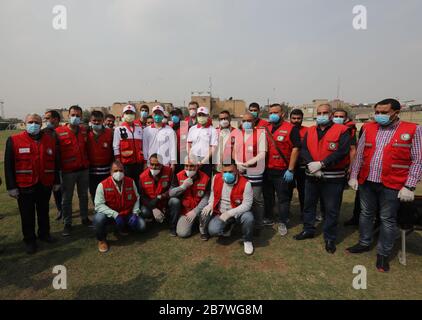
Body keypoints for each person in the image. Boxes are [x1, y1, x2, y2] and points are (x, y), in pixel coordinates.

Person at [347, 98, 422, 272]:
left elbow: (418, 160)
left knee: (387, 219)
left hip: (393, 183)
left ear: (396, 113)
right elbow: (359, 154)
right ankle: (364, 242)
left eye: (384, 112)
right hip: (368, 180)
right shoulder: (369, 127)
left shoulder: (413, 129)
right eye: (377, 112)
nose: (379, 115)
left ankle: (383, 253)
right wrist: (353, 176)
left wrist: (409, 186)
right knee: (366, 213)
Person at [294, 103, 351, 254]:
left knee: (331, 209)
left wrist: (322, 164)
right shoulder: (311, 130)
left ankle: (330, 237)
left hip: (333, 177)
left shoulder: (343, 130)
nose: (321, 115)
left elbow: (343, 151)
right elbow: (303, 149)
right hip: (312, 175)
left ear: (331, 114)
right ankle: (308, 229)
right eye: (319, 113)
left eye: (325, 113)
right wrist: (312, 164)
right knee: (309, 205)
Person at [5, 113, 61, 254]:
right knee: (27, 214)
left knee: (44, 211)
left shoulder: (50, 140)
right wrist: (11, 187)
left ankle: (44, 234)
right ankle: (30, 240)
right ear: (25, 123)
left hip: (45, 183)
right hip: (24, 185)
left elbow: (55, 162)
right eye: (30, 122)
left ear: (41, 124)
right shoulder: (14, 140)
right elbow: (8, 165)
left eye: (37, 122)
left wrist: (56, 181)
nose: (33, 124)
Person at [200, 162, 255, 255]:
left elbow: (247, 205)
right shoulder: (216, 178)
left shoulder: (246, 184)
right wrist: (210, 204)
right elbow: (213, 194)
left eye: (230, 171)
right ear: (222, 171)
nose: (227, 174)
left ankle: (247, 240)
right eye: (225, 172)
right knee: (213, 230)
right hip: (221, 213)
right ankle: (228, 226)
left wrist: (230, 213)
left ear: (237, 171)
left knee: (248, 218)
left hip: (238, 213)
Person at [263, 104, 301, 237]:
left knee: (283, 198)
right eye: (271, 112)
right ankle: (269, 217)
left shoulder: (291, 129)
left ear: (282, 114)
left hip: (283, 171)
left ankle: (283, 221)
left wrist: (290, 169)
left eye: (276, 112)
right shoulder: (266, 128)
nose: (273, 114)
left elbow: (296, 148)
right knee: (268, 197)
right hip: (267, 170)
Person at [93, 161, 146, 253]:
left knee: (142, 226)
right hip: (111, 215)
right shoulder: (102, 185)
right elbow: (98, 205)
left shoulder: (131, 182)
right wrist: (115, 214)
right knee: (98, 218)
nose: (118, 173)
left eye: (121, 170)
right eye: (115, 171)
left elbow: (136, 198)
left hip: (127, 213)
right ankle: (102, 240)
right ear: (110, 172)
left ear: (124, 171)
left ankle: (122, 227)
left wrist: (135, 213)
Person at [56, 105, 92, 237]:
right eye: (73, 115)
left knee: (83, 196)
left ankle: (84, 218)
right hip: (68, 172)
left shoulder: (84, 130)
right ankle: (67, 223)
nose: (75, 117)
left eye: (78, 115)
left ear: (81, 117)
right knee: (67, 198)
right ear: (68, 116)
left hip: (83, 170)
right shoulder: (59, 132)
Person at [233, 112, 267, 234]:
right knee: (241, 198)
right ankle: (242, 223)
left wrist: (247, 163)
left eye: (249, 121)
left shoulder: (260, 134)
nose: (246, 123)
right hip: (241, 170)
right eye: (244, 121)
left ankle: (258, 225)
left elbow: (262, 153)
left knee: (256, 199)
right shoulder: (238, 134)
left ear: (254, 121)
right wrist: (238, 163)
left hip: (255, 171)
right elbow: (234, 151)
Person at [167, 157, 211, 238]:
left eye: (191, 166)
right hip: (186, 211)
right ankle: (192, 223)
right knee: (182, 233)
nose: (188, 169)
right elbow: (170, 193)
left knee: (206, 210)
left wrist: (195, 211)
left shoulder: (205, 177)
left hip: (200, 210)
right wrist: (182, 187)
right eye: (186, 166)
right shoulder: (178, 176)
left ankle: (203, 230)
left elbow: (206, 197)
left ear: (197, 166)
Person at [113, 105, 144, 191]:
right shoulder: (118, 129)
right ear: (123, 115)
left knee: (139, 186)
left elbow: (143, 146)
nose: (129, 115)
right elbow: (116, 147)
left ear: (135, 115)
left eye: (131, 113)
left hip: (139, 163)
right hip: (126, 164)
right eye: (127, 113)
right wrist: (118, 162)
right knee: (127, 186)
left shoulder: (139, 128)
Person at [139, 154, 173, 229]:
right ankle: (152, 218)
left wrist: (161, 196)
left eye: (157, 165)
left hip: (164, 201)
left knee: (174, 202)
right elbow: (142, 196)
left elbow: (172, 188)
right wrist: (153, 208)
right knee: (144, 211)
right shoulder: (142, 176)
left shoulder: (169, 171)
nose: (154, 167)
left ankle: (168, 218)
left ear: (161, 164)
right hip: (151, 203)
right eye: (152, 164)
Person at [87, 111, 114, 203]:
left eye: (99, 120)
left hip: (106, 170)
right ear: (90, 120)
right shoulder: (86, 132)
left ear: (103, 121)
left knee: (106, 191)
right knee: (94, 192)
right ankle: (97, 209)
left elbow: (113, 150)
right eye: (94, 120)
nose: (96, 122)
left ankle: (108, 211)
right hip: (91, 170)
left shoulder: (110, 133)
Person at [143, 105, 177, 170]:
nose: (157, 115)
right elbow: (145, 147)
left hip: (165, 162)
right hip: (151, 163)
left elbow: (173, 147)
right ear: (152, 115)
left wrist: (173, 163)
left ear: (163, 115)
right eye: (155, 114)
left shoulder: (170, 130)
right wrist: (145, 162)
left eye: (159, 113)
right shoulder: (146, 130)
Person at [43, 109, 63, 221]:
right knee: (56, 190)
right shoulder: (44, 132)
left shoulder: (64, 130)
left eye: (47, 118)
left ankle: (65, 209)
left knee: (65, 190)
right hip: (51, 167)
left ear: (55, 119)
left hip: (64, 166)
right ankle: (60, 209)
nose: (45, 120)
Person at [187, 106, 218, 177]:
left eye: (203, 115)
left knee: (205, 182)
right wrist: (192, 158)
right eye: (199, 115)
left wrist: (203, 162)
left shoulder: (213, 130)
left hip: (206, 161)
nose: (201, 117)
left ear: (208, 116)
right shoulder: (192, 129)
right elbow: (189, 144)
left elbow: (213, 148)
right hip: (193, 160)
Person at [289, 109, 308, 218]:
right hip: (289, 166)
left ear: (302, 119)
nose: (296, 121)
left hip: (302, 166)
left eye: (298, 118)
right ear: (290, 118)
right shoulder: (287, 129)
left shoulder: (308, 131)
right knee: (287, 191)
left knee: (303, 191)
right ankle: (286, 212)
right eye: (294, 118)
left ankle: (304, 212)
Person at [170, 108, 189, 174]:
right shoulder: (170, 127)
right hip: (172, 155)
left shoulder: (186, 126)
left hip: (183, 155)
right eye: (172, 115)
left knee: (182, 175)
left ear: (180, 115)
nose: (174, 116)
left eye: (176, 115)